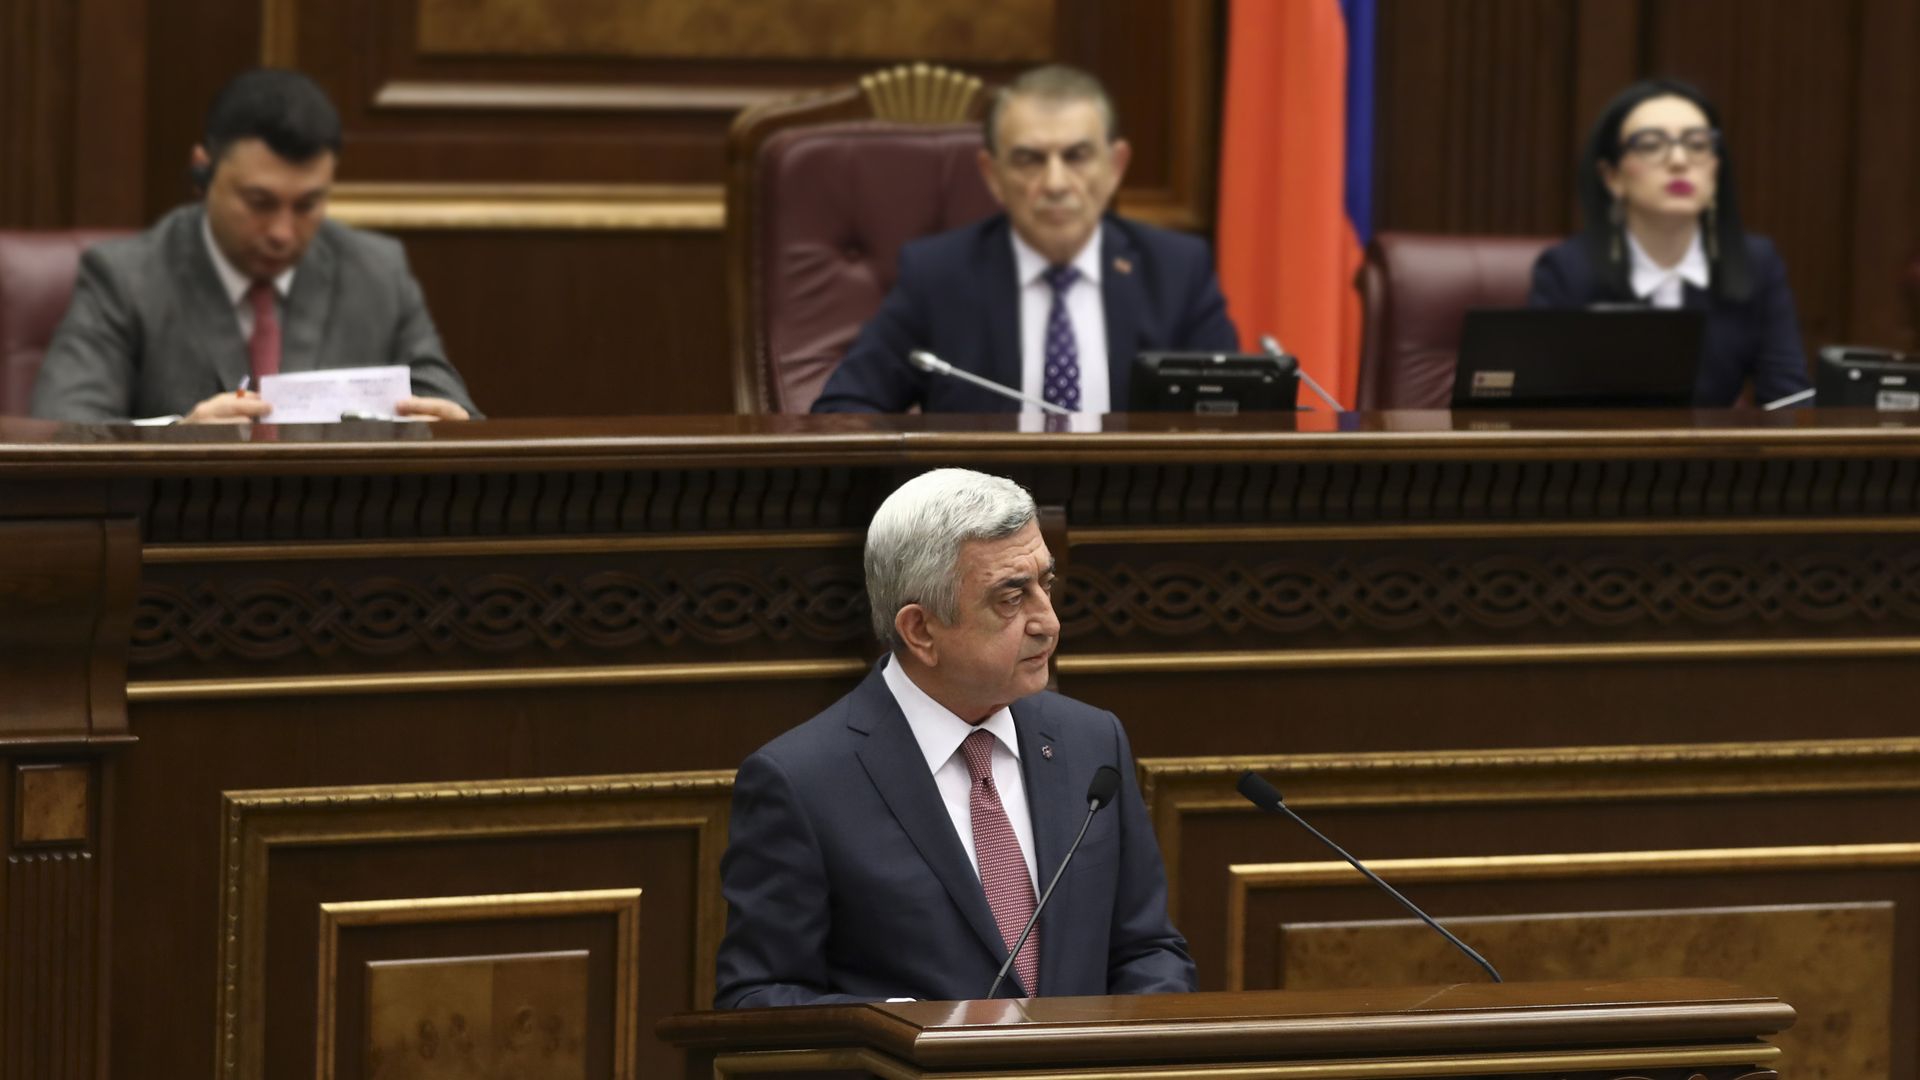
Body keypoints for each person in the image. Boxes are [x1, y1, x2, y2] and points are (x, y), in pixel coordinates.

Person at [715, 469, 1193, 1005]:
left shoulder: (1091, 741)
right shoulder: (801, 781)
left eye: (1046, 584)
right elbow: (756, 997)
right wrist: (898, 1033)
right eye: (1011, 598)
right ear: (920, 630)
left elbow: (1147, 950)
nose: (1049, 622)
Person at [31, 69, 478, 424]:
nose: (283, 232)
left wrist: (452, 425)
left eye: (307, 204)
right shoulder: (125, 278)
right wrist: (177, 445)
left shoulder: (377, 270)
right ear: (202, 172)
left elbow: (450, 404)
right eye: (260, 203)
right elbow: (61, 431)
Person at [811, 65, 1239, 414]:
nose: (1055, 183)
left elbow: (1234, 415)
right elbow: (845, 410)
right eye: (1029, 160)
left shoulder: (1177, 269)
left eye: (1076, 156)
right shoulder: (939, 275)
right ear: (992, 175)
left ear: (1115, 166)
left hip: (1134, 511)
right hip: (984, 517)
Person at [1528, 78, 1809, 407]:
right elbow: (1542, 412)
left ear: (1715, 169)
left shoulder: (1756, 263)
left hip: (1717, 457)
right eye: (1650, 144)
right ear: (1612, 177)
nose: (1678, 160)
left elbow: (1789, 402)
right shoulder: (1565, 270)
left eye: (1698, 143)